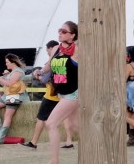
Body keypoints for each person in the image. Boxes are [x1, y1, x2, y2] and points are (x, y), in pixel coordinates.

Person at [22, 40, 74, 150]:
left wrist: (38, 75)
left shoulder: (53, 62)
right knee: (66, 118)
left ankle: (34, 142)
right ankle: (69, 141)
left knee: (41, 118)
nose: (47, 52)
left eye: (47, 50)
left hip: (51, 95)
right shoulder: (67, 60)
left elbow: (45, 79)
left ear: (52, 49)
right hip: (64, 94)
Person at [47, 21, 80, 164]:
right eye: (59, 31)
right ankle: (102, 144)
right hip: (62, 93)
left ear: (73, 35)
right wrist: (40, 71)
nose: (60, 33)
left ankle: (54, 161)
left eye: (64, 31)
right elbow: (48, 65)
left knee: (51, 123)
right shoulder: (56, 49)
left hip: (73, 93)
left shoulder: (78, 49)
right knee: (76, 127)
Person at [0, 54, 28, 144]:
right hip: (8, 95)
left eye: (7, 62)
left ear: (12, 62)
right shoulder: (13, 72)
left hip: (15, 96)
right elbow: (6, 84)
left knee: (8, 116)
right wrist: (1, 79)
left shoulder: (18, 72)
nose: (6, 64)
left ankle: (0, 138)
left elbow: (10, 84)